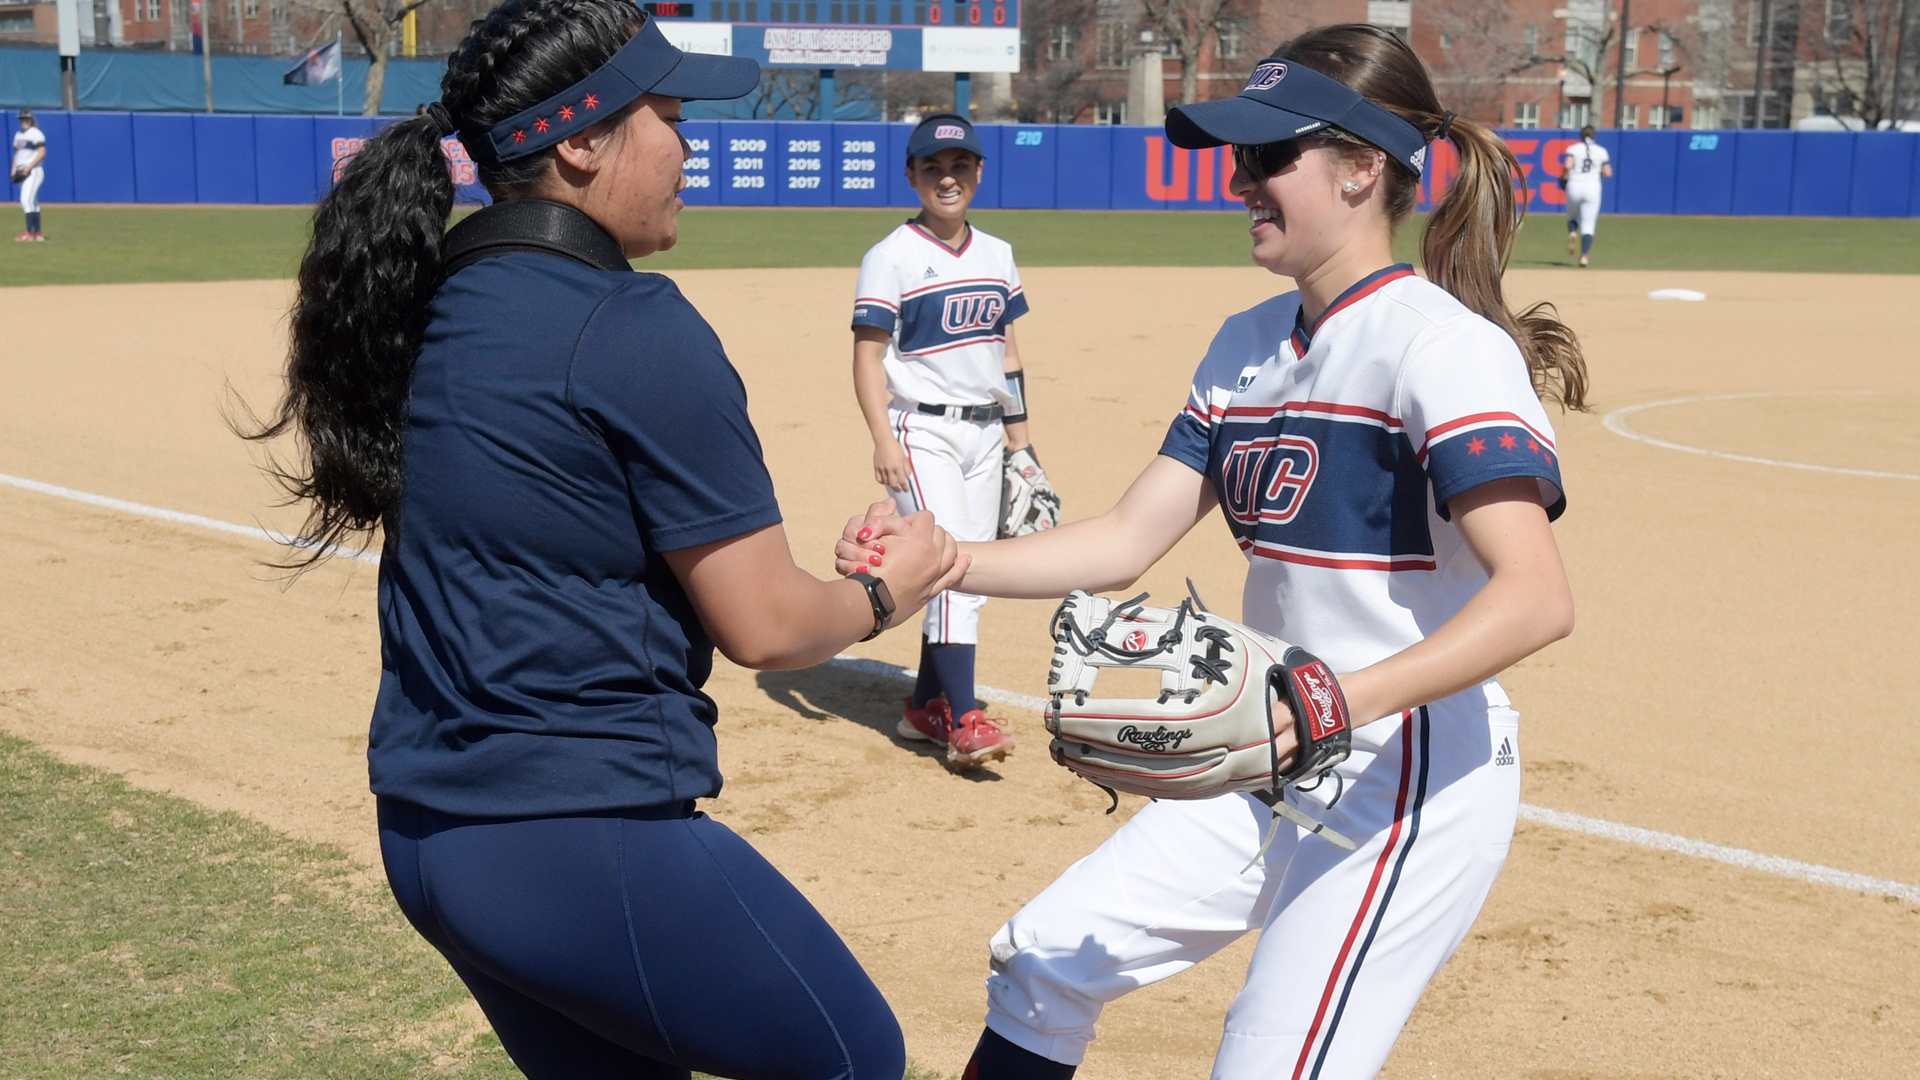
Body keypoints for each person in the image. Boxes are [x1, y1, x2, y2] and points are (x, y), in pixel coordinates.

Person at [840, 24, 1588, 1080]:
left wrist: (1337, 702)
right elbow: (1124, 539)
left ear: (1361, 167)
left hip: (1407, 769)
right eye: (1240, 156)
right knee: (1044, 957)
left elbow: (1537, 598)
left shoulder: (1442, 347)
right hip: (1274, 748)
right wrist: (944, 555)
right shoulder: (1247, 345)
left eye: (1268, 155)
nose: (1240, 179)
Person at [246, 3, 966, 1077]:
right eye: (668, 116)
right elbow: (767, 628)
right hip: (572, 835)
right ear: (581, 141)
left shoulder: (430, 301)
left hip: (431, 834)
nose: (689, 146)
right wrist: (886, 591)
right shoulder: (634, 325)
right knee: (853, 1055)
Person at [851, 112, 1032, 769]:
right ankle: (964, 717)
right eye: (933, 168)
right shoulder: (891, 255)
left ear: (978, 172)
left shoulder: (997, 254)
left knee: (967, 569)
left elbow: (1007, 354)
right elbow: (868, 356)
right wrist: (883, 438)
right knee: (952, 567)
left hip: (985, 434)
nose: (947, 178)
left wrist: (1022, 444)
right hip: (921, 429)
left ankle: (926, 706)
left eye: (959, 166)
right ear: (912, 176)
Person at [1561, 124, 1611, 267]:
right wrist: (1597, 170)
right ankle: (1584, 256)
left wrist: (1564, 178)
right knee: (1588, 224)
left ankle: (1572, 232)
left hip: (1575, 185)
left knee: (1572, 216)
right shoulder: (1601, 151)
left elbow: (1567, 165)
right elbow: (1608, 173)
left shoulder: (1573, 149)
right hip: (1592, 187)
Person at [13, 108, 45, 242]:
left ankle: (28, 232)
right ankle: (38, 233)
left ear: (31, 120)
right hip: (22, 171)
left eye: (26, 119)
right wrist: (14, 169)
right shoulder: (18, 135)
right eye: (22, 119)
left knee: (26, 200)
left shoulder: (36, 133)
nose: (24, 121)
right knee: (33, 202)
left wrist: (29, 166)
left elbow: (42, 152)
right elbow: (18, 153)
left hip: (34, 171)